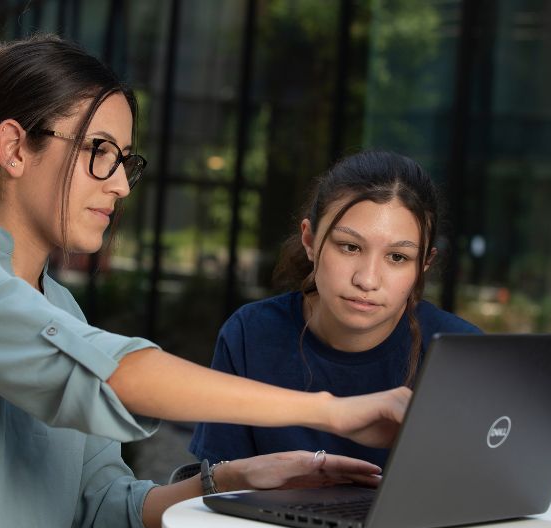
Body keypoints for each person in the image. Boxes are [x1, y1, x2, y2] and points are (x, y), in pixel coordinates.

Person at [0, 36, 410, 528]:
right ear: (15, 148)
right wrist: (332, 410)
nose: (119, 184)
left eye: (125, 161)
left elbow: (105, 515)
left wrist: (235, 481)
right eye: (99, 151)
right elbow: (111, 375)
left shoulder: (63, 312)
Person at [190, 150, 481, 469]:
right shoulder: (251, 335)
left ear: (424, 264)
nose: (367, 280)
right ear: (310, 240)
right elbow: (217, 489)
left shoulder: (462, 353)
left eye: (397, 257)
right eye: (350, 247)